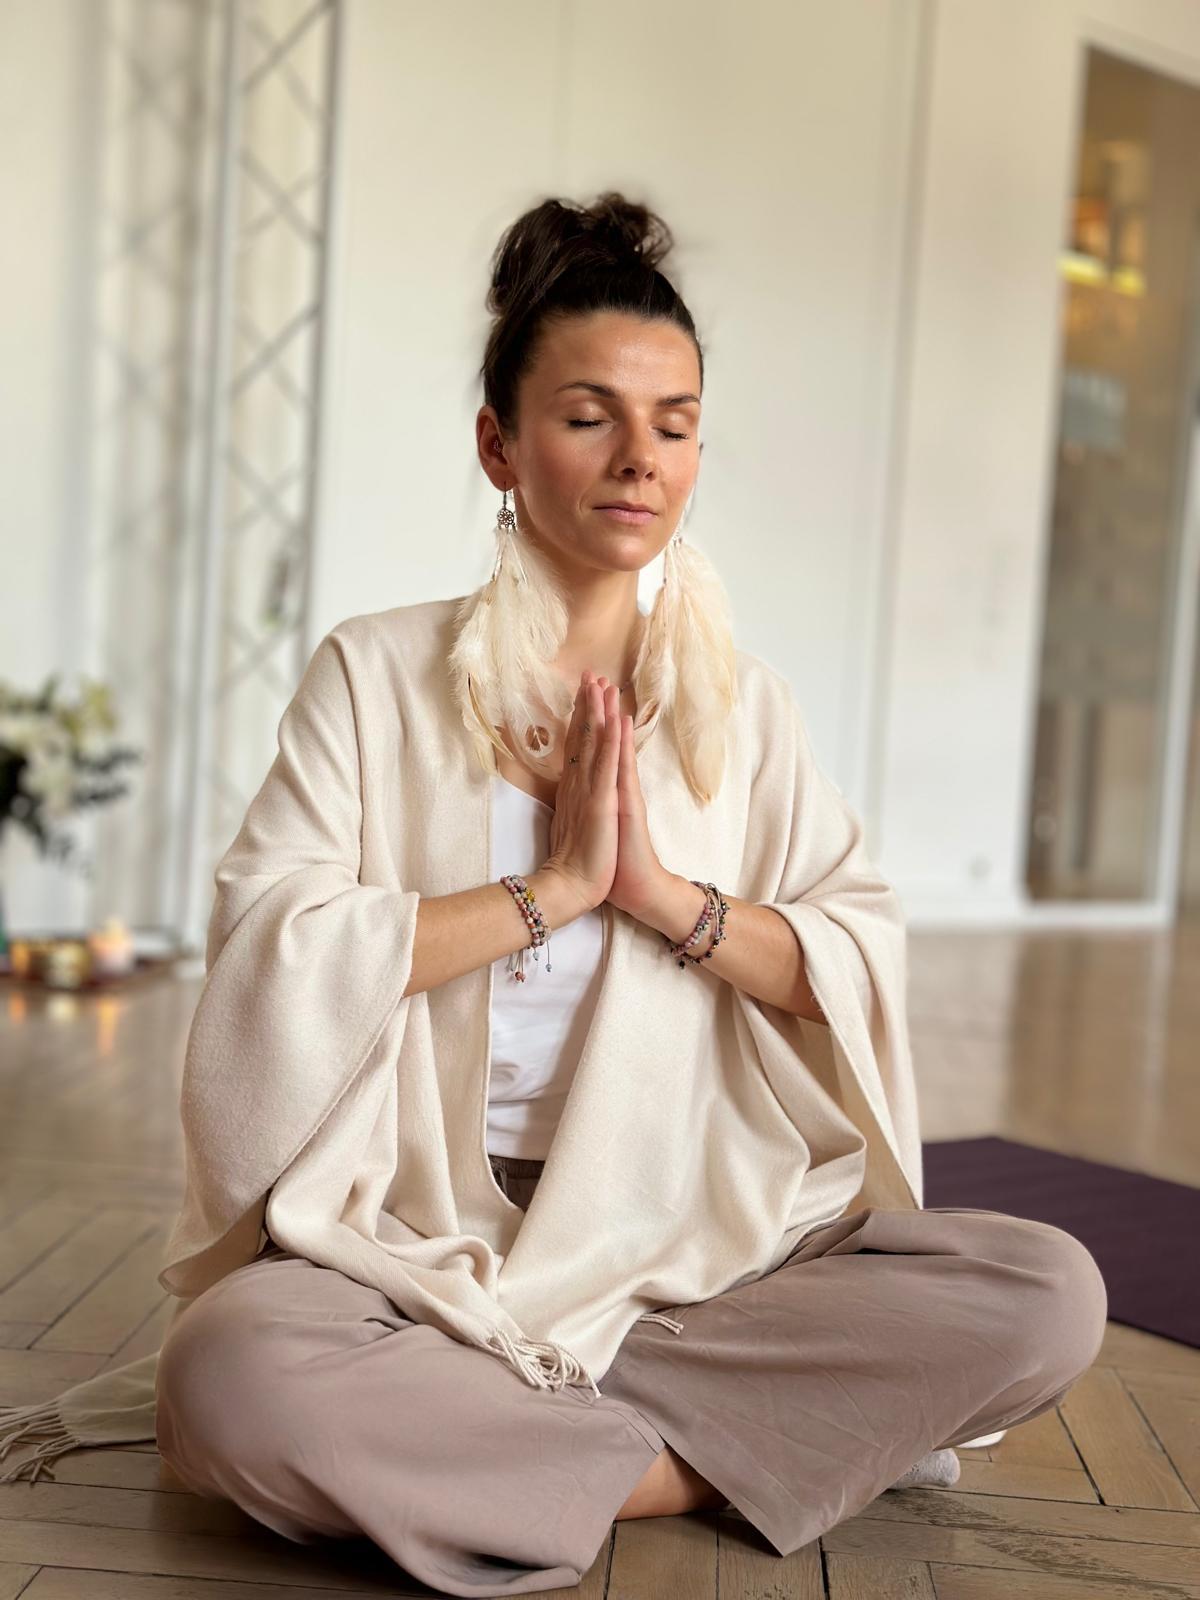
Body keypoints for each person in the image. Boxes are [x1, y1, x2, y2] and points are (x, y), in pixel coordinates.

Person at [3, 191, 1109, 1599]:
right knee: (232, 1372)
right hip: (412, 1241)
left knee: (1048, 1291)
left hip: (692, 1239)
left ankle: (531, 1458)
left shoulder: (744, 711)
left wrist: (658, 895)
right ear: (500, 445)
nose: (641, 458)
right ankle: (762, 1452)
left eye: (676, 424)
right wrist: (554, 888)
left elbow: (847, 950)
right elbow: (272, 940)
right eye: (590, 417)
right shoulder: (373, 675)